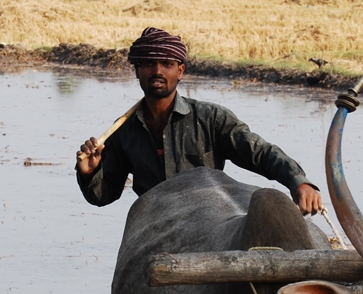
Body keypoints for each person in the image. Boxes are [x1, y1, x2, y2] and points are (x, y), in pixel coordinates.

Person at [76, 27, 323, 215]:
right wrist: (90, 173)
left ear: (180, 71)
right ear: (137, 71)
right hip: (153, 222)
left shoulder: (211, 119)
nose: (158, 71)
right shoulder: (122, 132)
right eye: (149, 64)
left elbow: (260, 153)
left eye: (167, 64)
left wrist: (298, 181)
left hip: (208, 218)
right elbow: (104, 195)